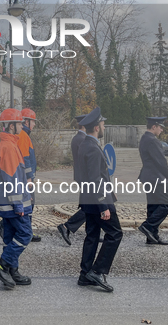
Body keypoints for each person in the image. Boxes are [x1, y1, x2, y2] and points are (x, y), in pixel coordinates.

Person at [77, 107, 122, 292]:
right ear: (96, 127)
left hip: (88, 199)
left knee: (92, 236)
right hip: (98, 200)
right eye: (103, 124)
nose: (104, 126)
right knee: (115, 234)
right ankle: (97, 270)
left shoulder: (85, 144)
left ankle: (85, 274)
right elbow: (96, 179)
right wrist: (104, 204)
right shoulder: (93, 149)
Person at [0, 108, 32, 289]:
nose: (22, 126)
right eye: (19, 123)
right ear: (11, 125)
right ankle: (2, 266)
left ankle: (12, 271)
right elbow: (11, 178)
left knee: (11, 237)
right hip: (13, 204)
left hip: (7, 203)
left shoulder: (9, 144)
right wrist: (18, 205)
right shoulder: (8, 147)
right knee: (25, 234)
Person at [0, 108, 41, 243]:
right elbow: (22, 163)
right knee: (26, 210)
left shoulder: (16, 138)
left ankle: (7, 262)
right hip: (22, 182)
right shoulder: (19, 138)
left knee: (12, 233)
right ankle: (7, 261)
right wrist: (29, 179)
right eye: (33, 122)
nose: (34, 125)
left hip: (20, 182)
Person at [137, 116, 168, 245]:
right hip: (156, 177)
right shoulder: (153, 140)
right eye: (160, 127)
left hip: (148, 177)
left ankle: (152, 236)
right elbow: (161, 161)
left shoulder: (144, 138)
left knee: (153, 206)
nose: (161, 130)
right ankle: (148, 226)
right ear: (154, 127)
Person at [57, 114, 88, 246]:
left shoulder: (79, 138)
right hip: (86, 177)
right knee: (91, 206)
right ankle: (67, 226)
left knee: (90, 205)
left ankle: (93, 232)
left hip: (83, 176)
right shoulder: (82, 139)